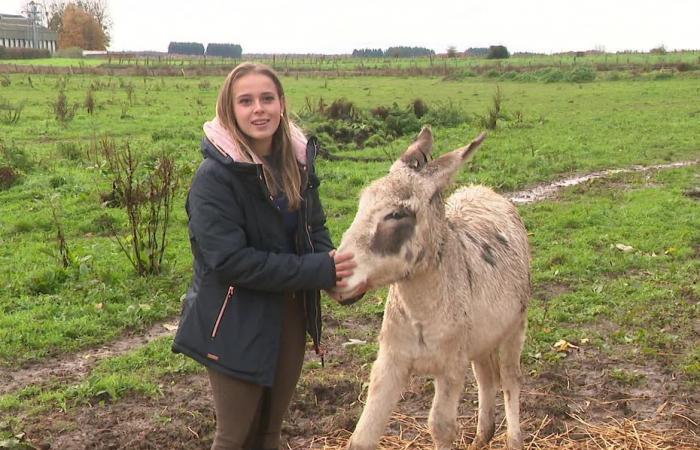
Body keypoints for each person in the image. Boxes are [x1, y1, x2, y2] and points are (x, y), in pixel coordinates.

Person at [172, 62, 358, 450]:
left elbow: (314, 230)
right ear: (230, 110)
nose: (259, 109)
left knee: (270, 433)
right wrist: (317, 270)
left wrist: (336, 275)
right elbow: (232, 262)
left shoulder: (297, 162)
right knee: (235, 435)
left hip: (289, 314)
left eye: (267, 98)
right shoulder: (214, 178)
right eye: (246, 101)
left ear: (282, 104)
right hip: (234, 317)